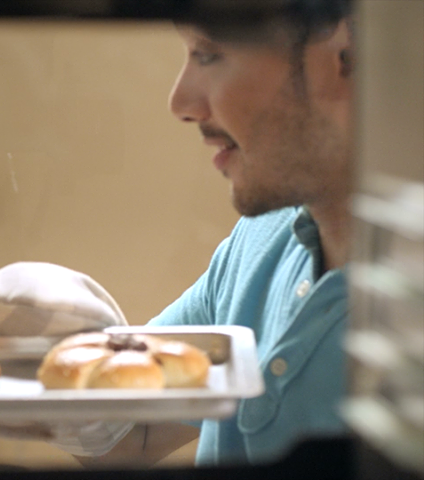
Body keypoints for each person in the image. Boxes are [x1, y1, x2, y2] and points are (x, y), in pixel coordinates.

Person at [58, 0, 356, 468]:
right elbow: (126, 436)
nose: (180, 103)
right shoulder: (261, 235)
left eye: (208, 54)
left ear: (351, 55)